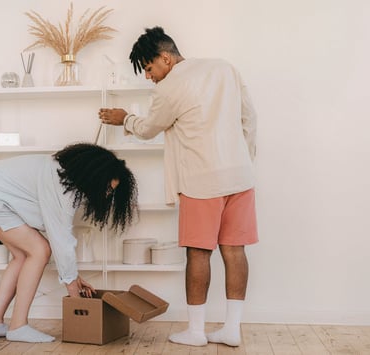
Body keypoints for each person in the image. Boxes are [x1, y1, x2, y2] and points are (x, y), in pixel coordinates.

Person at [98, 26, 258, 347]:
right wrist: (244, 159)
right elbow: (249, 118)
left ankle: (196, 332)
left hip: (201, 180)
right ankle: (231, 329)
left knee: (198, 253)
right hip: (240, 176)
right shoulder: (224, 68)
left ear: (165, 59)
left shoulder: (169, 88)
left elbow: (148, 128)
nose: (149, 76)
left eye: (148, 68)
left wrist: (124, 117)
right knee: (234, 250)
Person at [0, 143, 138, 343]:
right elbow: (61, 239)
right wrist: (73, 291)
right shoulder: (62, 188)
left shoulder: (59, 173)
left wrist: (74, 277)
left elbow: (59, 236)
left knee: (21, 256)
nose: (107, 194)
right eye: (106, 187)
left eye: (111, 191)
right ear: (93, 175)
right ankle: (18, 326)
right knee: (40, 250)